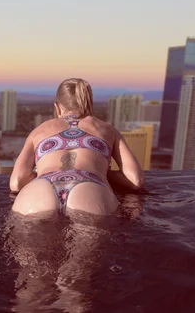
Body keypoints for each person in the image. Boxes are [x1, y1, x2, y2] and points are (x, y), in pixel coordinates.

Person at [9, 78, 145, 216]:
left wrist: (44, 173)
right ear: (89, 104)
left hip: (41, 189)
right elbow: (135, 180)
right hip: (90, 188)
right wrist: (100, 172)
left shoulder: (39, 131)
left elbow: (17, 182)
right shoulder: (108, 130)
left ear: (57, 107)